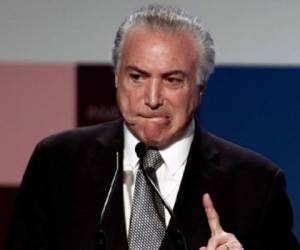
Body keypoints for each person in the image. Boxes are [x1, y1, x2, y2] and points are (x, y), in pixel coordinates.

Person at [6, 4, 299, 250]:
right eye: (137, 77)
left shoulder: (257, 184)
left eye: (172, 80)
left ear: (200, 89)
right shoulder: (57, 162)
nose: (152, 98)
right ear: (117, 78)